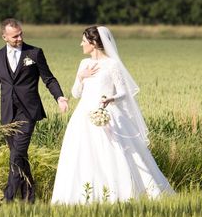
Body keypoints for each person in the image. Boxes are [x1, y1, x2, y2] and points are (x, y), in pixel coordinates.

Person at [51, 25, 174, 204]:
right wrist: (80, 77)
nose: (81, 44)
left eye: (84, 41)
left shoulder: (112, 64)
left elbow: (125, 92)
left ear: (93, 43)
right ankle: (84, 196)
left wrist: (111, 99)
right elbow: (76, 94)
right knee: (83, 154)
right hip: (83, 116)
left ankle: (122, 193)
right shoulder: (83, 64)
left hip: (107, 115)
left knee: (113, 154)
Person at [0, 18, 69, 203]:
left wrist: (59, 97)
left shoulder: (34, 53)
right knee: (19, 156)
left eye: (21, 34)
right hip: (8, 114)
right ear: (4, 37)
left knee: (16, 155)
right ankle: (29, 198)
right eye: (15, 36)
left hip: (28, 112)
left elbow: (49, 79)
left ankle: (7, 199)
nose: (19, 38)